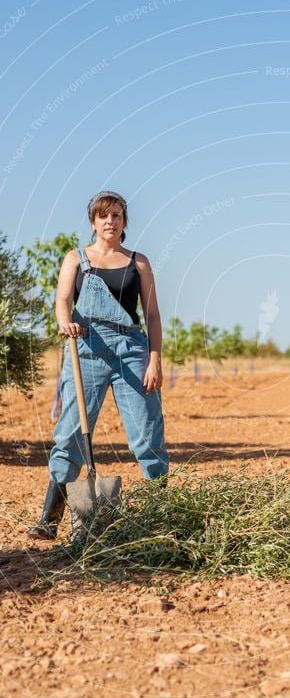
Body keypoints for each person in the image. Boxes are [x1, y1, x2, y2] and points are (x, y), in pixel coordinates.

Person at [28, 191, 169, 539]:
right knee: (71, 433)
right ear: (93, 222)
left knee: (148, 433)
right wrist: (66, 323)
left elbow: (151, 315)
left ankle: (165, 515)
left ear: (124, 223)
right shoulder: (76, 259)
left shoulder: (139, 262)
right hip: (86, 349)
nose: (111, 221)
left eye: (117, 216)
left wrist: (154, 360)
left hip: (132, 350)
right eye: (104, 216)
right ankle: (49, 520)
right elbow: (62, 300)